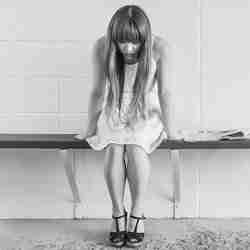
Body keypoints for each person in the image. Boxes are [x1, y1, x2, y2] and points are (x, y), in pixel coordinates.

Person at [76, 4, 176, 248]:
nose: (128, 48)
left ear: (145, 38)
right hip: (115, 109)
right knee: (113, 147)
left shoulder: (160, 48)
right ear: (114, 38)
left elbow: (165, 92)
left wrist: (172, 131)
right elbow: (98, 91)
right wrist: (89, 127)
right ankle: (117, 214)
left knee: (135, 147)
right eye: (122, 42)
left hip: (145, 111)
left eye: (135, 43)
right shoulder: (102, 46)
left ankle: (137, 213)